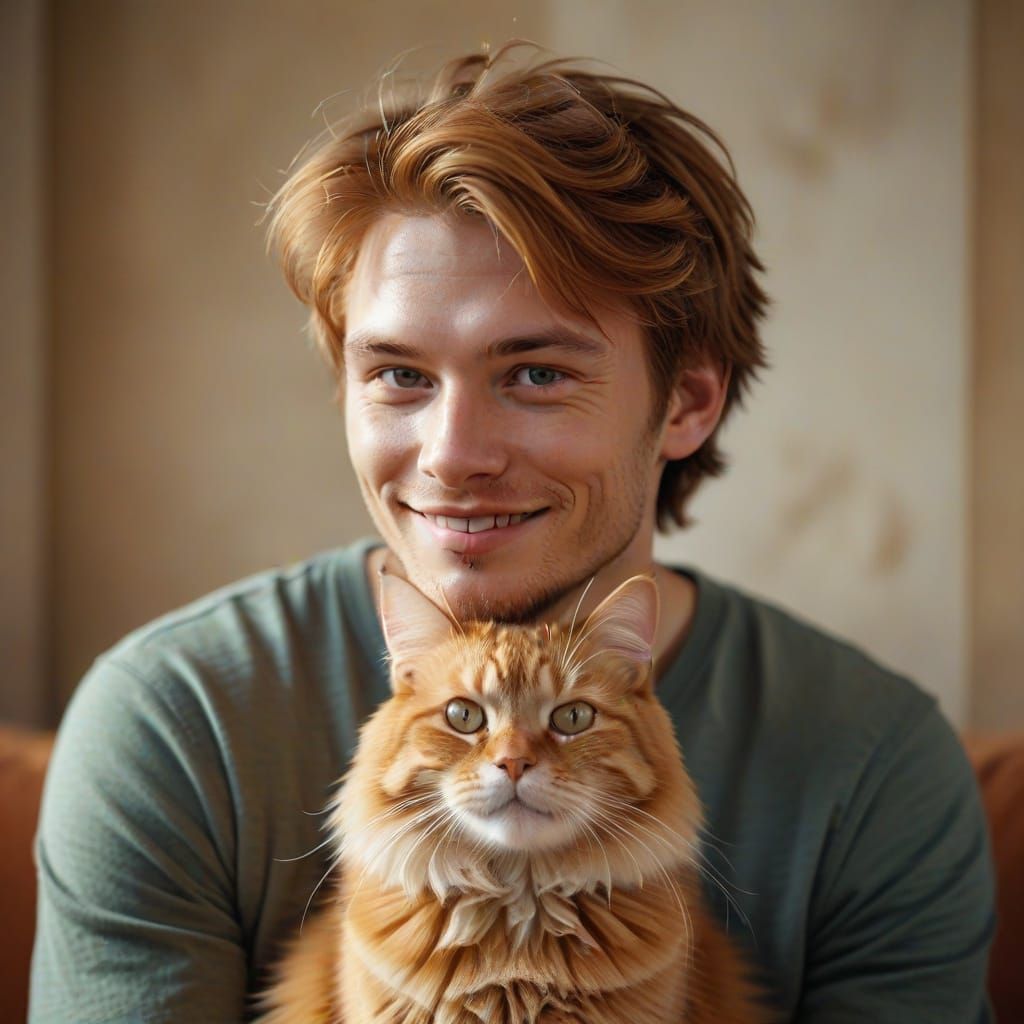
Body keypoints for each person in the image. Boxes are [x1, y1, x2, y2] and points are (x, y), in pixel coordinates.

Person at [30, 44, 994, 1022]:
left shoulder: (880, 766)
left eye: (533, 373)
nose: (452, 455)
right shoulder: (171, 719)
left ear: (687, 403)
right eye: (399, 374)